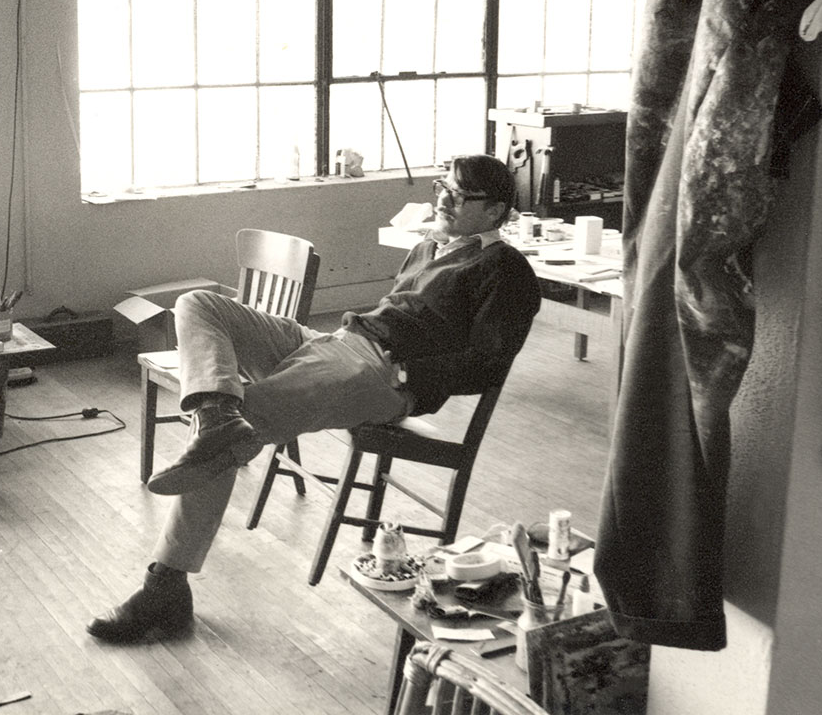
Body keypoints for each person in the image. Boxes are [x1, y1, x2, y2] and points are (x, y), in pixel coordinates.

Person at [86, 154, 542, 643]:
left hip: (380, 372)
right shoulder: (430, 245)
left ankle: (165, 590)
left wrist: (409, 371)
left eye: (459, 195)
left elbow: (487, 363)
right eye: (441, 187)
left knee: (236, 429)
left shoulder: (506, 271)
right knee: (198, 304)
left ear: (495, 212)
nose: (443, 200)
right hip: (333, 341)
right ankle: (215, 412)